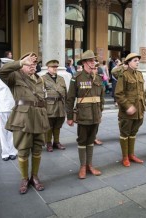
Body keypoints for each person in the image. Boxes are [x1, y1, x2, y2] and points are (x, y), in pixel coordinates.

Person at [0, 52, 49, 194]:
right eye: (29, 63)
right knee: (23, 149)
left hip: (39, 117)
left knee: (38, 148)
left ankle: (35, 176)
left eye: (34, 63)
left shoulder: (40, 79)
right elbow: (1, 71)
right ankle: (24, 178)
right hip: (23, 119)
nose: (33, 65)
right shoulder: (14, 77)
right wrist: (20, 62)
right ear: (22, 65)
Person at [66, 50, 104, 179]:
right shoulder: (76, 77)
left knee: (91, 141)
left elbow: (102, 97)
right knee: (82, 141)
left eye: (94, 60)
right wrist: (70, 117)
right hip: (83, 115)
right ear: (84, 63)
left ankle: (90, 165)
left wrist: (100, 112)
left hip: (95, 115)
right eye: (91, 60)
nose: (93, 63)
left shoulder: (98, 78)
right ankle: (82, 166)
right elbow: (70, 98)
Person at [115, 53, 146, 167]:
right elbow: (119, 94)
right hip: (127, 112)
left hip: (139, 110)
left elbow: (142, 92)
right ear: (128, 63)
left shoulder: (139, 74)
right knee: (125, 134)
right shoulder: (124, 75)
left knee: (133, 133)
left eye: (138, 60)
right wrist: (128, 106)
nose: (137, 62)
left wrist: (144, 105)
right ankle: (125, 157)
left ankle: (131, 154)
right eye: (135, 60)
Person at [0, 57, 17, 161]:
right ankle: (5, 153)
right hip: (1, 109)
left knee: (12, 132)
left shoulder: (15, 77)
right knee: (2, 132)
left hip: (13, 109)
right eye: (4, 65)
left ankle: (12, 151)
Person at [42, 60, 66, 152]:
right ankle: (48, 143)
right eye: (53, 67)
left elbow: (65, 93)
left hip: (60, 105)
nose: (55, 69)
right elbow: (40, 94)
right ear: (48, 68)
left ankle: (56, 142)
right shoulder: (43, 78)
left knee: (58, 125)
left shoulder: (61, 78)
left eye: (56, 67)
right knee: (49, 125)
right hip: (49, 106)